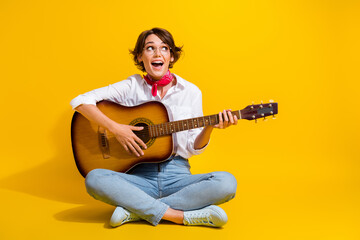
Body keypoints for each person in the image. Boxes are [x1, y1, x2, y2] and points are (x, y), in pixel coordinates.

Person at [70, 27, 238, 227]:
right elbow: (80, 101)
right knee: (94, 179)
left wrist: (210, 127)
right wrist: (116, 128)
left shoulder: (191, 92)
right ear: (140, 57)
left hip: (178, 176)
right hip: (138, 177)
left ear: (171, 57)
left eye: (164, 48)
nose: (158, 54)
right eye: (150, 48)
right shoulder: (131, 86)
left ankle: (136, 210)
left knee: (227, 183)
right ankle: (179, 216)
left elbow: (194, 147)